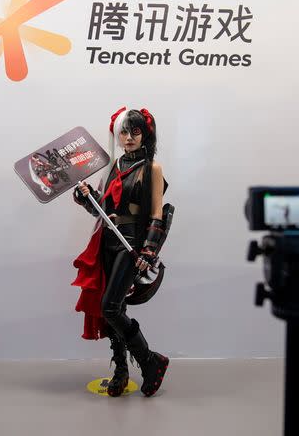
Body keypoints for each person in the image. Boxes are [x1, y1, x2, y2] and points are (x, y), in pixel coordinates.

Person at [71, 107, 170, 398]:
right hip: (108, 240)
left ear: (145, 134)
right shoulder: (114, 165)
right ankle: (121, 371)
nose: (128, 137)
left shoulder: (152, 168)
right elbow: (102, 212)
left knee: (110, 307)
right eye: (124, 132)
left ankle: (150, 361)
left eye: (134, 131)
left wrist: (148, 251)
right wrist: (86, 197)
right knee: (114, 309)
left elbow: (157, 213)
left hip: (132, 245)